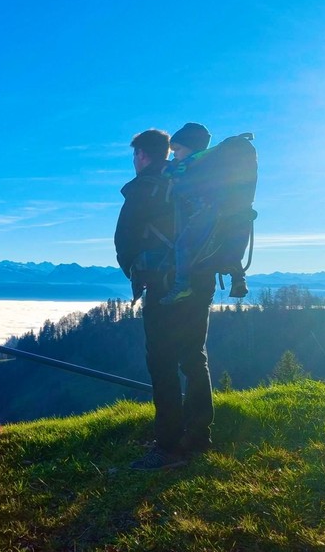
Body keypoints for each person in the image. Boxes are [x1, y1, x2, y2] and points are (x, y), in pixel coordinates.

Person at [115, 130, 215, 470]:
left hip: (164, 285)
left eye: (135, 156)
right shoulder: (192, 181)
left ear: (142, 155)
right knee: (193, 356)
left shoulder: (145, 188)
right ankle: (200, 436)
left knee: (162, 363)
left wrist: (137, 271)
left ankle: (167, 447)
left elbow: (125, 240)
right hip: (201, 281)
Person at [161, 123, 248, 303]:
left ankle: (182, 285)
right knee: (226, 241)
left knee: (182, 245)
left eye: (177, 149)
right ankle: (239, 278)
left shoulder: (193, 164)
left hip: (204, 212)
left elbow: (182, 182)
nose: (174, 154)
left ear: (191, 146)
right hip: (219, 213)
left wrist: (170, 175)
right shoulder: (210, 161)